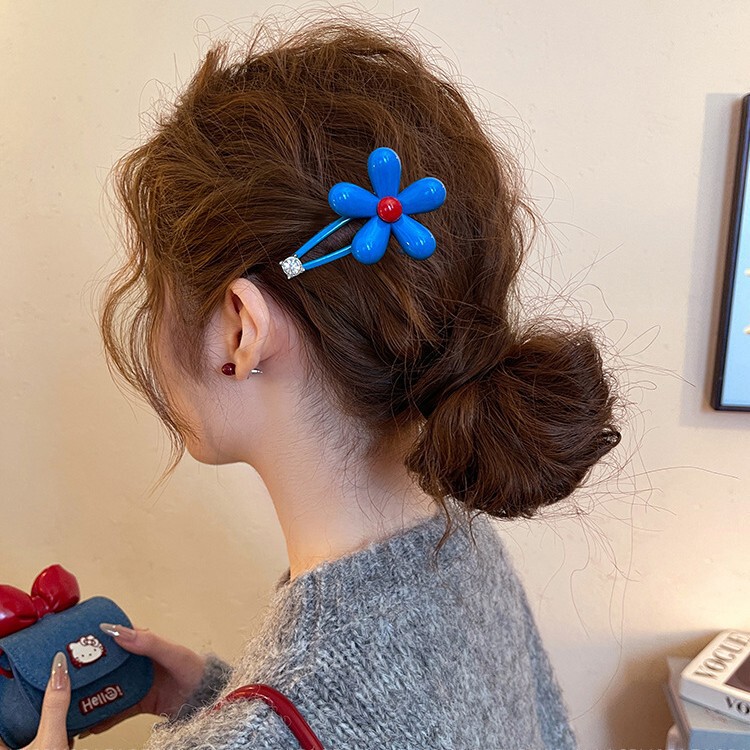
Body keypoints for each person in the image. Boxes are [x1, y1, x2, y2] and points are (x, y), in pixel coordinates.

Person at [8, 13, 622, 750]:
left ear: (241, 328)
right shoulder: (463, 543)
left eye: (155, 288)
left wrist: (236, 725)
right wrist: (217, 701)